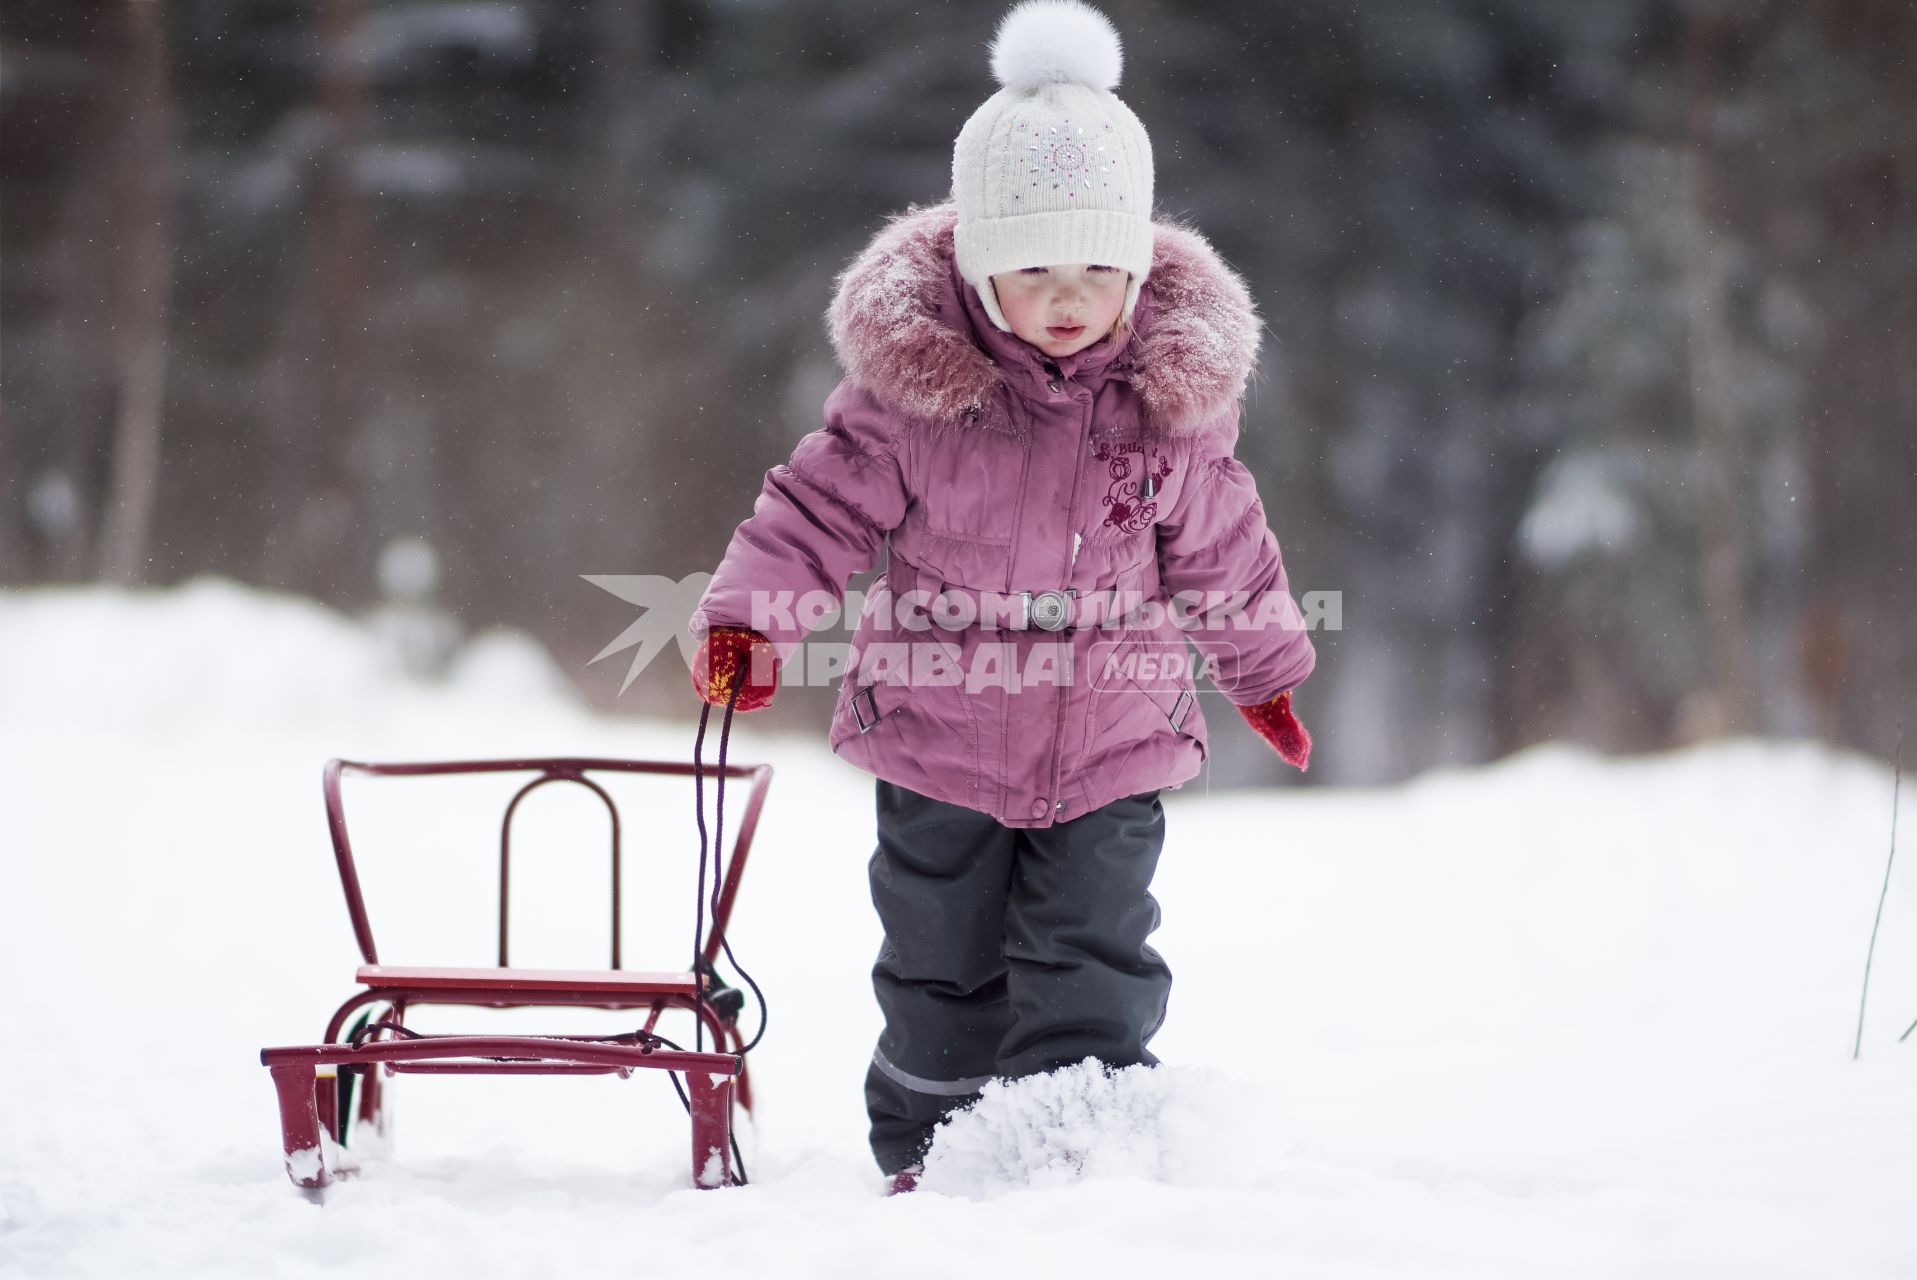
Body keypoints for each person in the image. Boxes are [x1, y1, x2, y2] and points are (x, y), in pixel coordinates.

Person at [687, 0, 1316, 1194]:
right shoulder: (914, 396)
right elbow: (816, 509)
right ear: (978, 266)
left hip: (1114, 734)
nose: (1069, 294)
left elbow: (1227, 548)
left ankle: (1078, 1155)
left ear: (1138, 263)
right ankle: (929, 1152)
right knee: (940, 965)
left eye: (1097, 266)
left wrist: (1266, 670)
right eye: (1034, 267)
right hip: (940, 730)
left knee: (1096, 954)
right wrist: (747, 620)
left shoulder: (1168, 405)